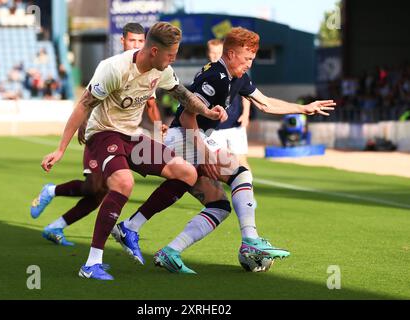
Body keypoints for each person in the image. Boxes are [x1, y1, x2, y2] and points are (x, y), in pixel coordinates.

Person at [111, 27, 336, 274]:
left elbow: (266, 102)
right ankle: (251, 240)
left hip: (196, 138)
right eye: (246, 58)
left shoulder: (238, 77)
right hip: (184, 137)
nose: (249, 64)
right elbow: (187, 116)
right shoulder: (215, 78)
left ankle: (164, 247)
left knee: (219, 205)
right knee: (240, 172)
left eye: (252, 59)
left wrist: (304, 108)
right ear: (230, 54)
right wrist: (205, 154)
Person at [39, 22, 227, 281]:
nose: (173, 59)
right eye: (170, 55)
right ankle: (91, 263)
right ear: (153, 51)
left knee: (186, 173)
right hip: (103, 134)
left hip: (131, 136)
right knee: (122, 183)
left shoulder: (161, 69)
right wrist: (60, 149)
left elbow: (182, 94)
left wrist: (207, 111)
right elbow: (83, 105)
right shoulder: (114, 69)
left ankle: (130, 227)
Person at [30, 23, 167, 246]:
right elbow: (87, 100)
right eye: (132, 40)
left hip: (124, 136)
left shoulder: (149, 70)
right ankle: (51, 192)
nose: (136, 45)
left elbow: (151, 104)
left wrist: (159, 125)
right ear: (122, 41)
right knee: (94, 187)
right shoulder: (113, 67)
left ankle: (56, 225)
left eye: (141, 41)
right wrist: (83, 124)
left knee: (98, 192)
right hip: (101, 134)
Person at [206, 39, 252, 170]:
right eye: (212, 53)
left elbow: (247, 95)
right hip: (214, 128)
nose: (215, 56)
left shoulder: (236, 72)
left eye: (218, 52)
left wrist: (246, 114)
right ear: (208, 54)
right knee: (214, 165)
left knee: (241, 161)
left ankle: (248, 190)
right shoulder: (204, 74)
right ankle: (217, 191)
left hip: (234, 125)